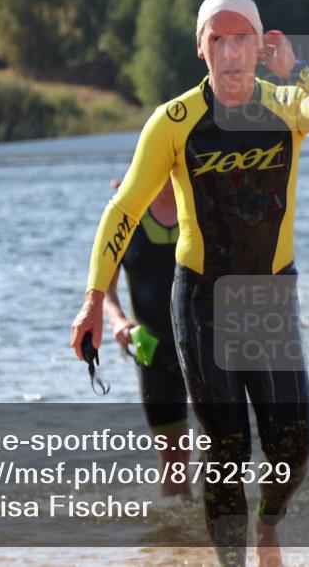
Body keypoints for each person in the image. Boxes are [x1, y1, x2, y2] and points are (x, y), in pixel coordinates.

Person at [69, 0, 309, 566]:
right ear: (201, 48)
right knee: (226, 450)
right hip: (203, 300)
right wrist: (92, 301)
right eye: (220, 40)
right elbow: (123, 209)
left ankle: (268, 527)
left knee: (294, 447)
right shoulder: (174, 122)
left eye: (243, 40)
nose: (231, 53)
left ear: (260, 46)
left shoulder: (289, 105)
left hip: (269, 295)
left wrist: (300, 71)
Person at [102, 177, 190, 497]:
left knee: (220, 447)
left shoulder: (198, 212)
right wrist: (118, 322)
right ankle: (176, 541)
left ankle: (213, 532)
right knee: (172, 460)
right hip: (148, 345)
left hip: (201, 345)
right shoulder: (126, 219)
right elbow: (106, 291)